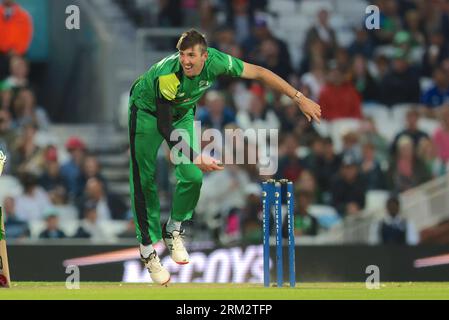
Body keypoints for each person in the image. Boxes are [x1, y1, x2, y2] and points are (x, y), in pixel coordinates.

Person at [128, 29, 321, 284]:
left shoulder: (218, 61)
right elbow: (165, 128)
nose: (186, 61)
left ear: (205, 57)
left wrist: (299, 97)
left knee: (193, 178)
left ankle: (173, 229)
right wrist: (196, 156)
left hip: (183, 112)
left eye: (191, 56)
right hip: (147, 112)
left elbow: (260, 73)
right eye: (182, 55)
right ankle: (147, 250)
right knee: (144, 179)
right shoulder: (168, 76)